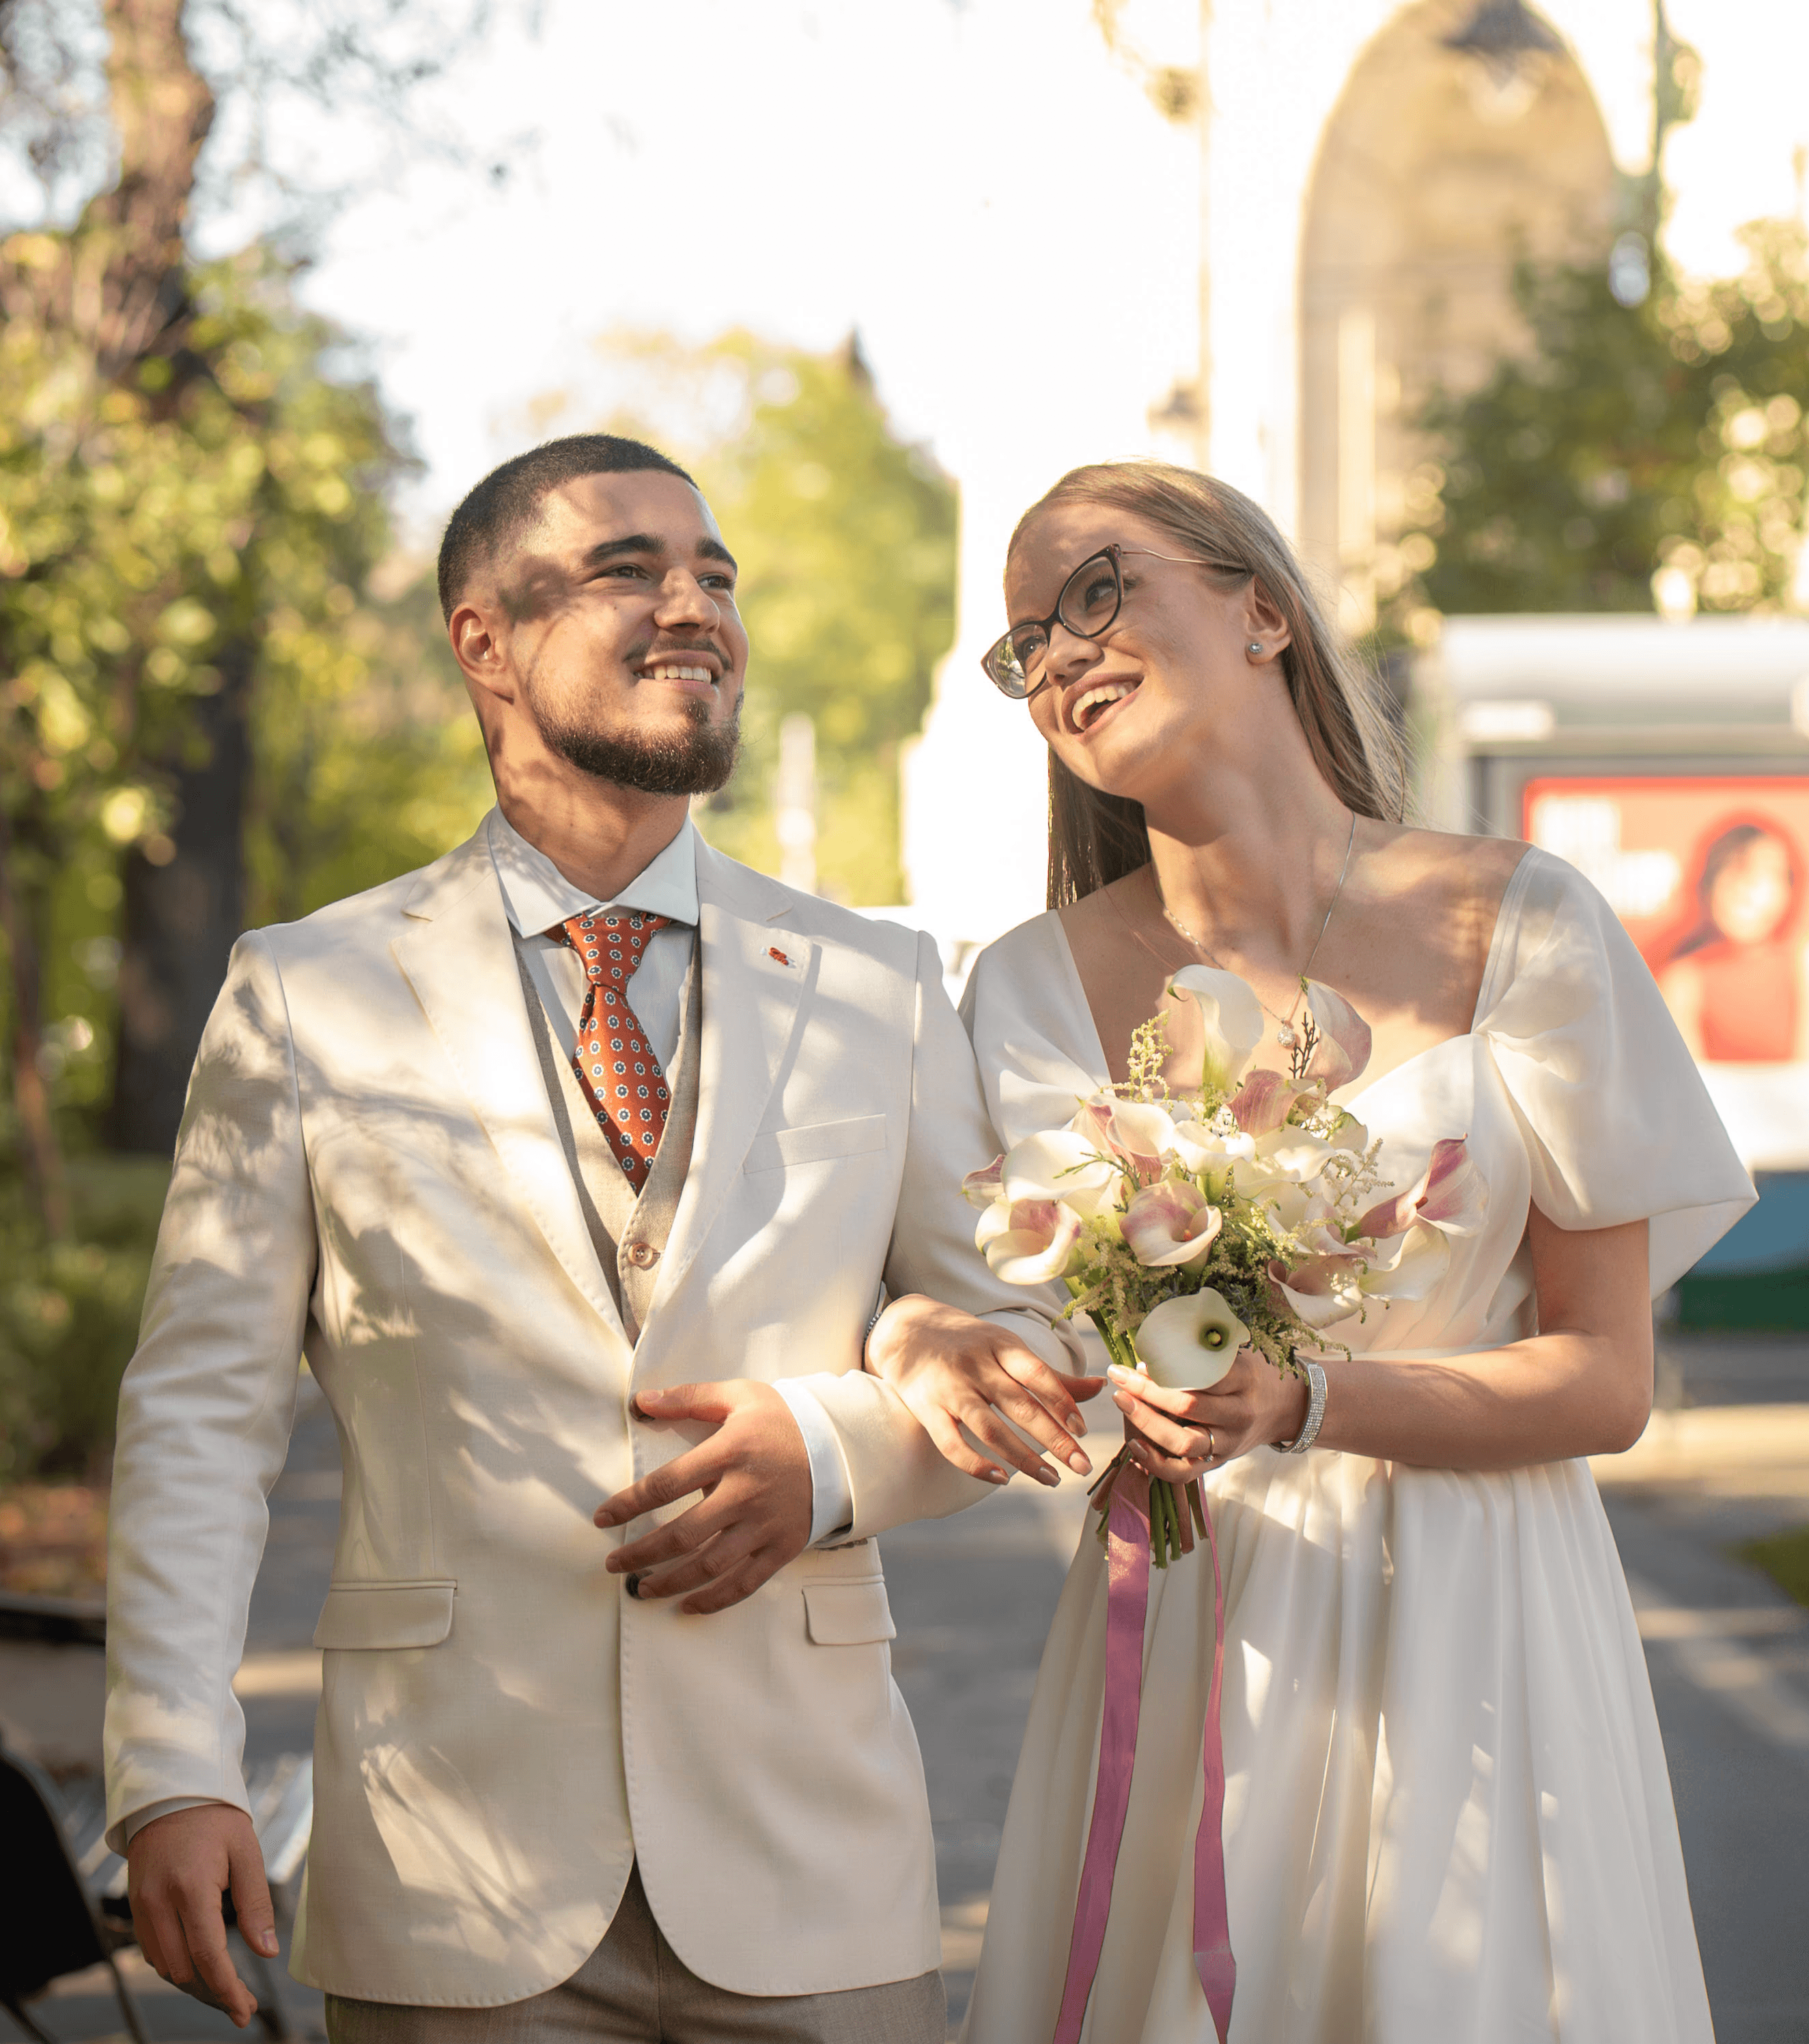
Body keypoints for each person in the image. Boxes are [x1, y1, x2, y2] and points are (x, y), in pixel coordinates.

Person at [102, 433, 1096, 2044]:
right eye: (628, 567)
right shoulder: (308, 991)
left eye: (713, 573)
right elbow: (200, 1412)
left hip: (807, 1856)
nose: (691, 603)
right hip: (453, 1862)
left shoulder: (875, 983)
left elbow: (1029, 1352)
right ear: (481, 636)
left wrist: (828, 1452)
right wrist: (170, 1765)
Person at [867, 460, 1757, 2043]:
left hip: (1485, 1610)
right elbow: (993, 1320)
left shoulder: (1523, 924)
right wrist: (927, 1340)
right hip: (1200, 1604)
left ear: (1259, 608)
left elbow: (1606, 1376)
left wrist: (1303, 1402)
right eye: (1023, 645)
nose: (1058, 657)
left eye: (1097, 591)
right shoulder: (1019, 988)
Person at [1651, 817, 1806, 1061]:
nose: (1746, 891)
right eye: (1734, 871)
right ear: (1709, 885)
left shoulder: (1801, 964)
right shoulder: (1684, 981)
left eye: (1769, 875)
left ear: (1790, 891)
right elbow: (1689, 1089)